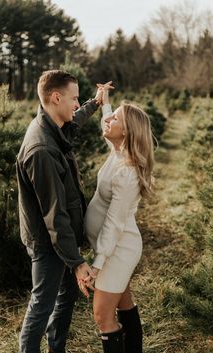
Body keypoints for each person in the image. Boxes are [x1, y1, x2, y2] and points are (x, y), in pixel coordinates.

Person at [16, 70, 111, 353]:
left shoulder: (53, 126)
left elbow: (72, 125)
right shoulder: (41, 149)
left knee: (65, 298)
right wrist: (76, 261)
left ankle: (56, 348)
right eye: (74, 98)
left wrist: (94, 104)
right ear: (56, 97)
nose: (75, 103)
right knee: (41, 306)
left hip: (63, 239)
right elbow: (54, 216)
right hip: (49, 243)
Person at [83, 85, 155, 353]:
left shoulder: (127, 172)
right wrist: (106, 103)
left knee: (103, 316)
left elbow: (113, 224)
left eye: (115, 120)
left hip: (118, 250)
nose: (108, 121)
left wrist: (97, 265)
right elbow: (107, 121)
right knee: (124, 303)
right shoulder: (118, 152)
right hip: (112, 248)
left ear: (125, 131)